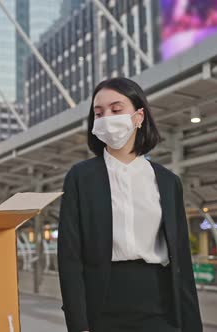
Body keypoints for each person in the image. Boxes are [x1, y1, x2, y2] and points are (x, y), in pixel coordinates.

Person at [57, 77, 202, 332]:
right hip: (102, 306)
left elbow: (181, 260)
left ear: (138, 116)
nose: (106, 119)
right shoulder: (81, 177)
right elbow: (69, 257)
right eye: (98, 113)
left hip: (159, 304)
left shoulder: (168, 182)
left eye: (116, 109)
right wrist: (78, 325)